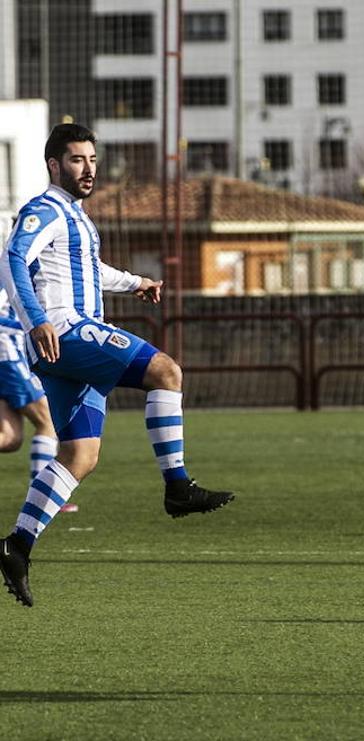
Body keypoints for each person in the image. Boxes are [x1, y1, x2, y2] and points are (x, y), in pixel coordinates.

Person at [0, 123, 234, 608]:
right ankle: (177, 486)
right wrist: (36, 319)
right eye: (77, 160)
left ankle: (16, 546)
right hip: (65, 330)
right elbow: (11, 259)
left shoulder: (76, 217)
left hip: (63, 351)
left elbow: (88, 270)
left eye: (92, 160)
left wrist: (134, 282)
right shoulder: (44, 210)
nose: (88, 169)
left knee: (81, 456)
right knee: (166, 372)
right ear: (54, 165)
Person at [0, 289, 73, 508]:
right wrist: (30, 327)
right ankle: (43, 498)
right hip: (7, 356)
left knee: (10, 438)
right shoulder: (6, 267)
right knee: (47, 420)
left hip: (11, 354)